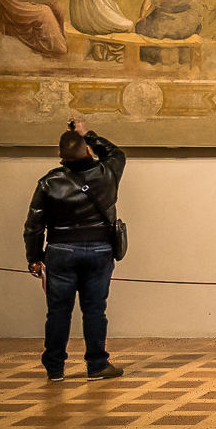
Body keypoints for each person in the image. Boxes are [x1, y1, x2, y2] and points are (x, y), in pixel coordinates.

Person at [24, 119, 127, 381]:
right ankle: (96, 365)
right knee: (94, 310)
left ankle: (55, 368)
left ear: (60, 155)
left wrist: (34, 258)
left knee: (58, 312)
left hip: (60, 251)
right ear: (89, 151)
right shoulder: (107, 174)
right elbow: (116, 153)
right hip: (99, 250)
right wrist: (87, 133)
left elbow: (34, 224)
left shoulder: (48, 183)